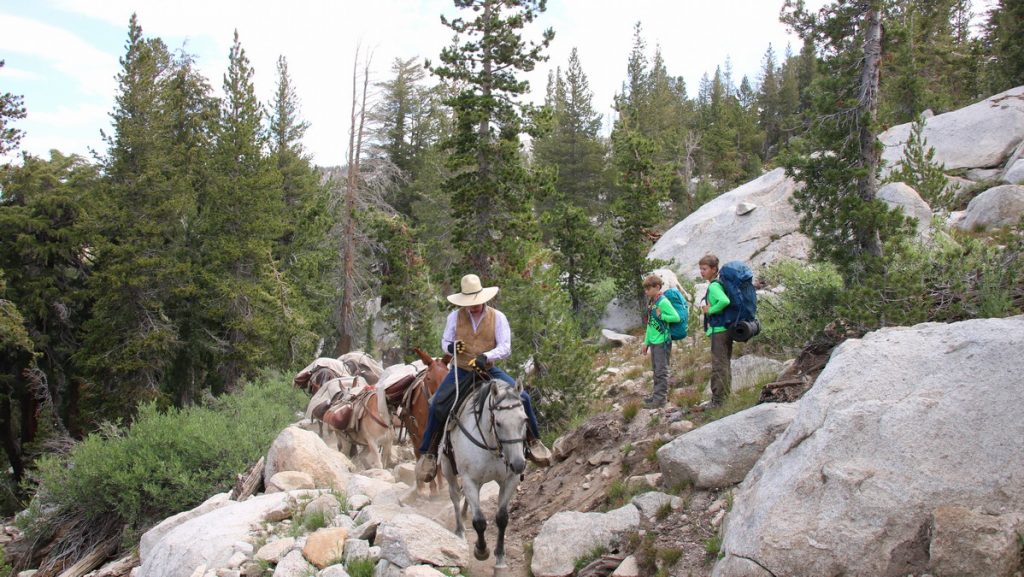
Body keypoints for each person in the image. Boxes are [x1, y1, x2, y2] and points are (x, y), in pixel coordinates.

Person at [415, 274, 552, 482]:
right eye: (470, 303)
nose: (473, 306)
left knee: (523, 398)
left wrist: (486, 356)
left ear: (483, 298)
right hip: (461, 370)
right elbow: (445, 341)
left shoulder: (498, 317)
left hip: (487, 370)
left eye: (476, 302)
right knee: (437, 405)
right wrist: (451, 347)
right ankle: (429, 453)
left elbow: (505, 347)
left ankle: (534, 442)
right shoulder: (454, 317)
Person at [641, 274, 681, 409]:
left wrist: (662, 315)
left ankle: (660, 400)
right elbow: (650, 324)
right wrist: (646, 342)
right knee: (656, 369)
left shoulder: (663, 301)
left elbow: (676, 317)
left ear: (657, 287)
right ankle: (656, 396)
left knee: (661, 370)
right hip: (654, 341)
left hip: (662, 341)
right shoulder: (653, 302)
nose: (646, 291)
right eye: (645, 289)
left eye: (648, 288)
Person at [699, 254, 731, 408]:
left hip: (719, 330)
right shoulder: (718, 284)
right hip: (724, 328)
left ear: (713, 269)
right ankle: (723, 397)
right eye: (700, 268)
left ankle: (718, 401)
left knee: (719, 365)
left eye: (704, 269)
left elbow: (725, 301)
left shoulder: (714, 286)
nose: (701, 272)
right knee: (724, 363)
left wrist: (710, 310)